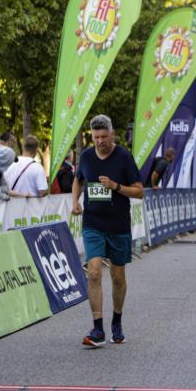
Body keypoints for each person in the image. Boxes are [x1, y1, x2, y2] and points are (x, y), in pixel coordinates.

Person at [72, 114, 143, 347]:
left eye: (104, 136)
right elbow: (78, 179)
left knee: (118, 277)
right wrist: (75, 201)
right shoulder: (86, 156)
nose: (100, 141)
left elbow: (139, 191)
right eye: (96, 137)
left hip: (118, 225)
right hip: (93, 224)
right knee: (93, 272)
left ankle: (117, 322)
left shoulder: (124, 157)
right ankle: (97, 329)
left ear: (112, 134)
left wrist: (115, 186)